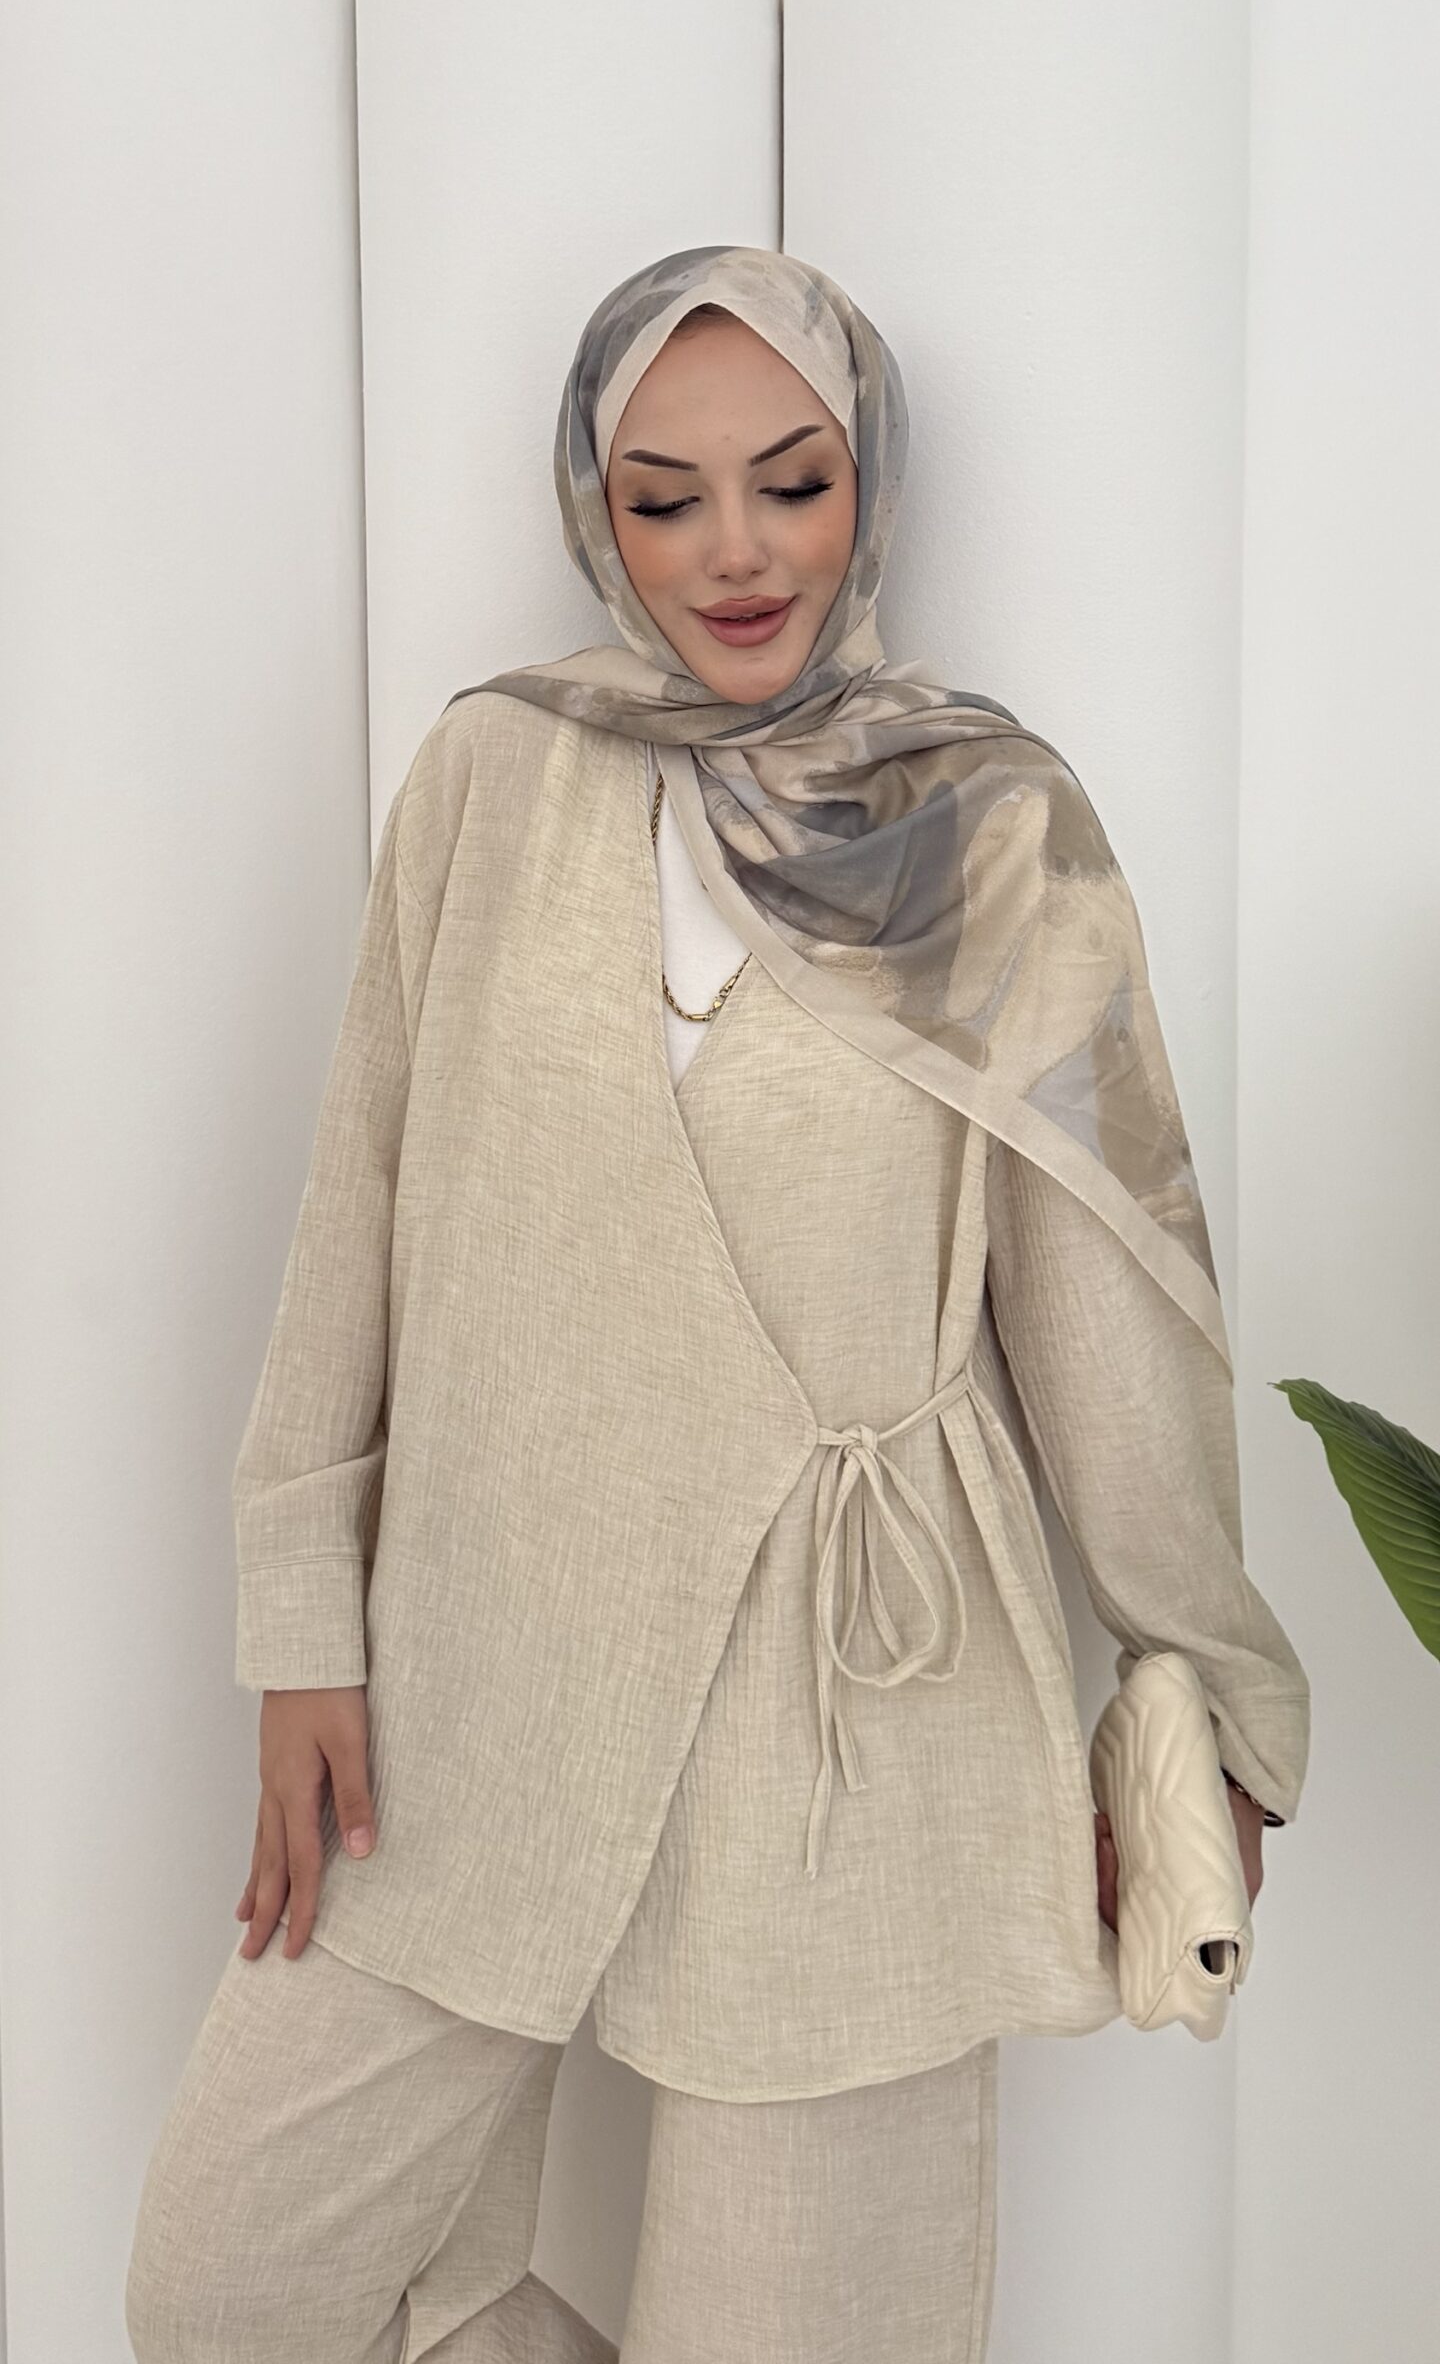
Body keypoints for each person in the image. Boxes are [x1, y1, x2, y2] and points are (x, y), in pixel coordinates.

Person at [125, 244, 1309, 2364]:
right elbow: (358, 1203)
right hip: (477, 1661)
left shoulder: (988, 823)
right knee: (232, 2290)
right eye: (666, 497)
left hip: (857, 1697)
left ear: (873, 483)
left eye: (795, 480)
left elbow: (1106, 1289)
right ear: (598, 509)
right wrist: (302, 1617)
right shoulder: (498, 774)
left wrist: (1206, 1697)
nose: (736, 552)